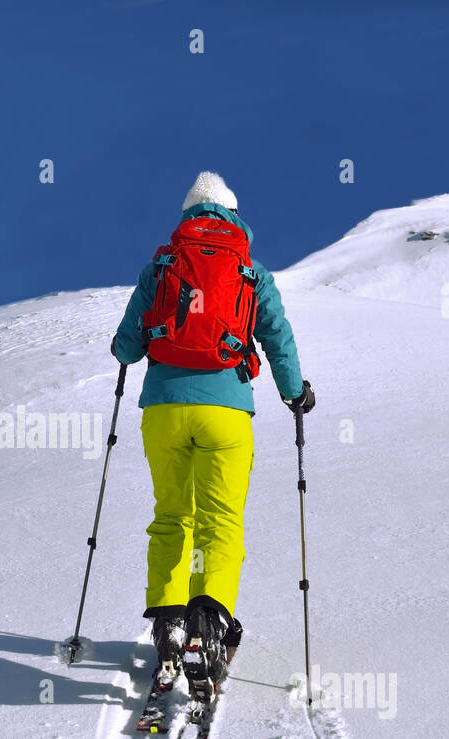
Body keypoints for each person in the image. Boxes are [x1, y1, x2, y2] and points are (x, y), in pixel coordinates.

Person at [110, 171, 315, 701]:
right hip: (226, 412)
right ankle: (209, 623)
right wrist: (294, 393)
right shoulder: (249, 269)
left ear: (188, 214)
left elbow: (127, 346)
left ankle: (169, 627)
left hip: (164, 411)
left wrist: (134, 347)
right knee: (220, 520)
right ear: (232, 214)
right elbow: (277, 336)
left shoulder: (161, 266)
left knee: (172, 516)